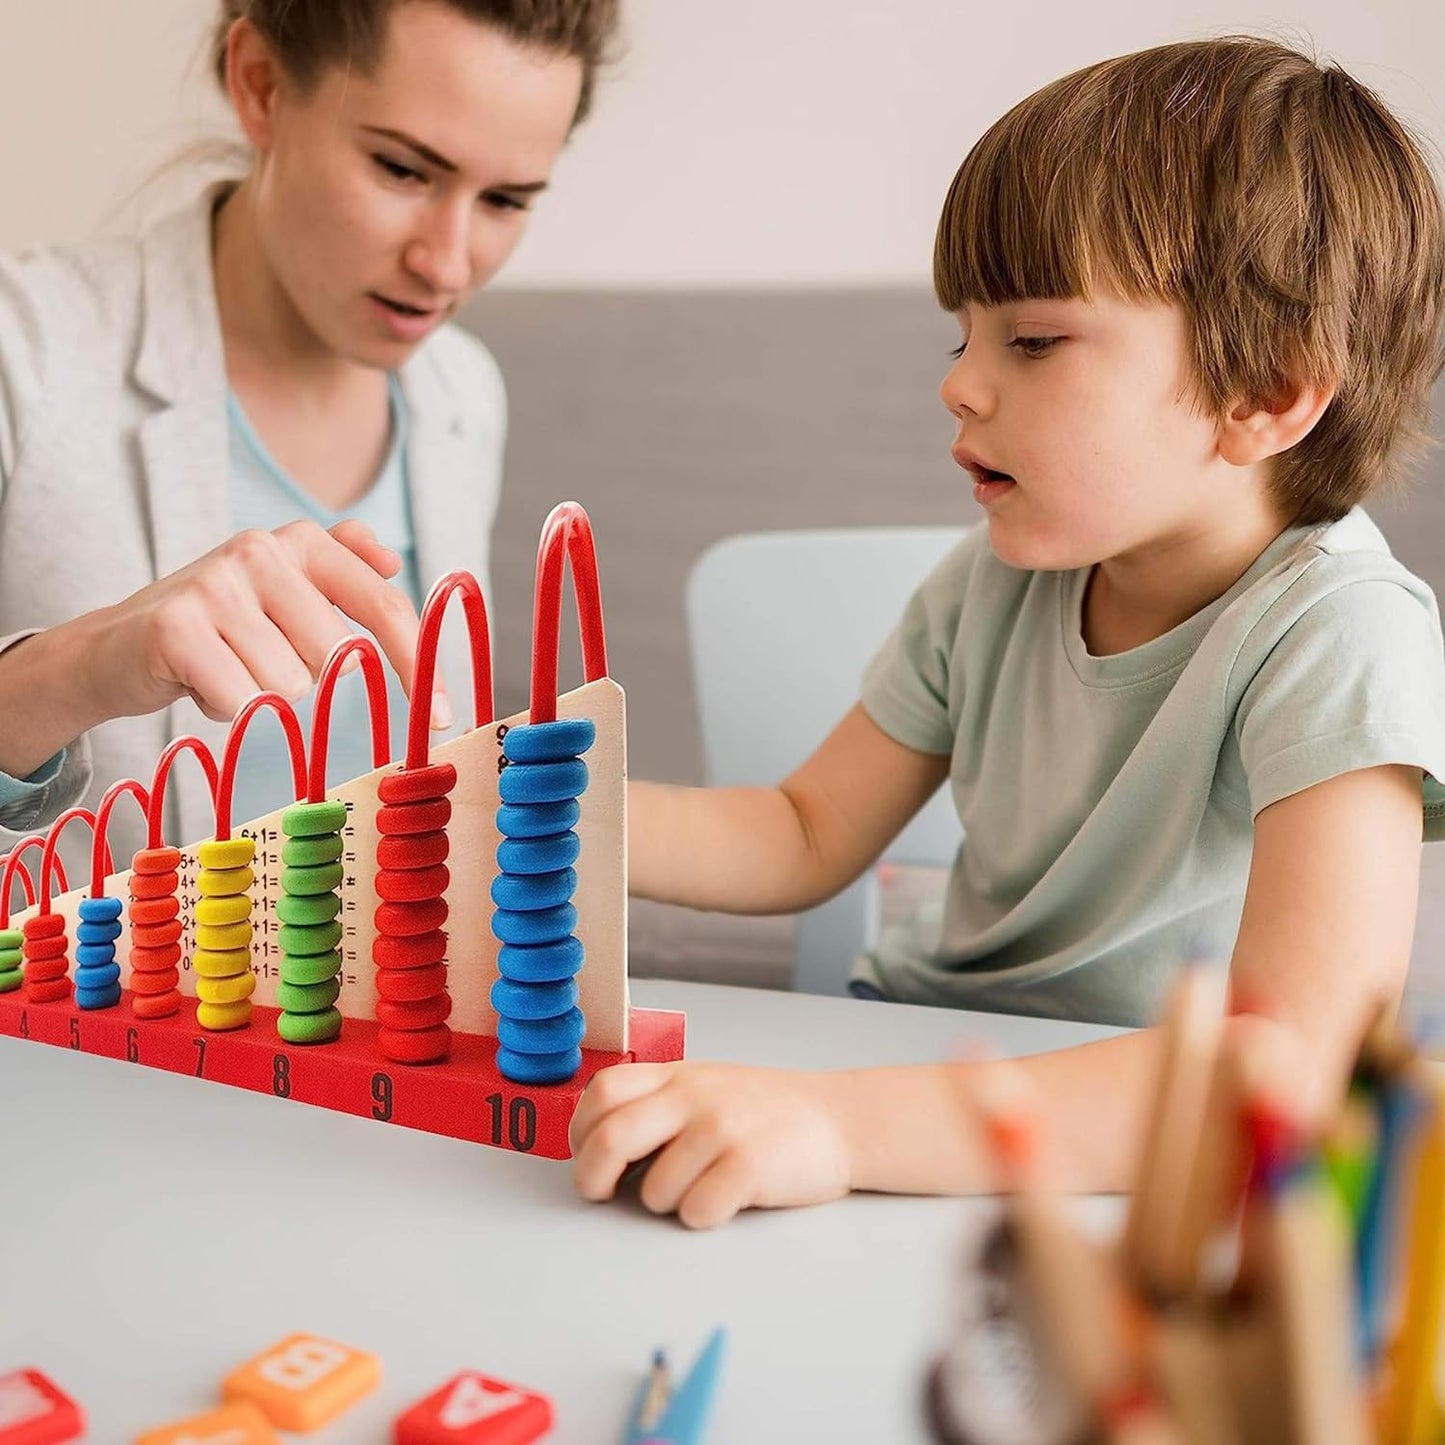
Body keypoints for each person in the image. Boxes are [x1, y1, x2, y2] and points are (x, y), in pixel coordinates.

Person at [570, 36, 1445, 1228]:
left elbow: (1287, 1063)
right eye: (960, 335)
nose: (960, 383)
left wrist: (839, 1121)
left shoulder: (1340, 634)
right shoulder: (986, 585)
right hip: (925, 1059)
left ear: (1264, 394)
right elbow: (798, 830)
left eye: (1029, 341)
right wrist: (550, 805)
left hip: (1125, 1159)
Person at [0, 0, 617, 868]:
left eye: (506, 200)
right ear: (260, 84)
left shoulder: (462, 394)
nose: (446, 263)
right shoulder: (24, 349)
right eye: (402, 170)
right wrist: (79, 667)